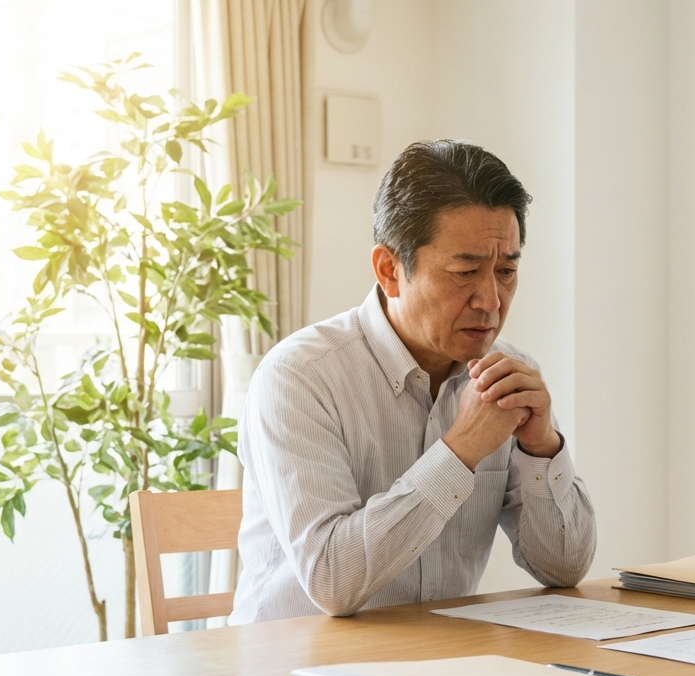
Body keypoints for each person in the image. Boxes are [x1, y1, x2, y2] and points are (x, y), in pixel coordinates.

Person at [229, 140, 596, 624]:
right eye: (465, 272)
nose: (491, 299)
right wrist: (460, 451)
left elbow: (564, 569)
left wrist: (542, 447)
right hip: (290, 670)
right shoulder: (299, 378)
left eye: (506, 270)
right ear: (389, 270)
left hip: (440, 663)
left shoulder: (506, 376)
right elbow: (333, 582)